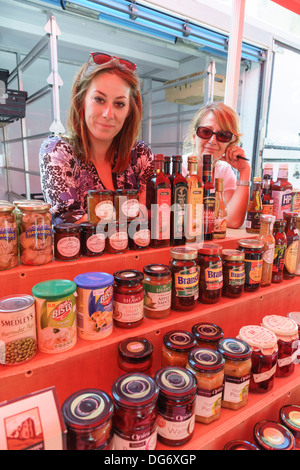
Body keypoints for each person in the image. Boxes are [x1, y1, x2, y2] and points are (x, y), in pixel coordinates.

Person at [39, 52, 154, 224]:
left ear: (130, 111)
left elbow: (150, 214)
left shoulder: (140, 155)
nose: (108, 114)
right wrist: (132, 217)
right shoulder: (58, 151)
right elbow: (68, 221)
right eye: (99, 99)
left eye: (119, 104)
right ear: (81, 100)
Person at [183, 102, 251, 229]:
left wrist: (245, 170)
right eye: (205, 132)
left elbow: (233, 221)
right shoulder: (177, 170)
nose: (213, 141)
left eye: (223, 135)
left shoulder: (224, 171)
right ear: (193, 136)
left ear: (230, 143)